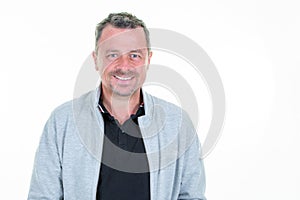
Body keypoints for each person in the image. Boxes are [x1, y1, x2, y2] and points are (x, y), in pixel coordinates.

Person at [28, 12, 206, 200]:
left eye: (135, 55)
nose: (124, 65)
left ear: (148, 59)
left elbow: (192, 195)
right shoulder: (62, 121)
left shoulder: (177, 123)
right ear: (96, 59)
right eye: (113, 55)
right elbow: (42, 196)